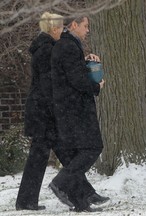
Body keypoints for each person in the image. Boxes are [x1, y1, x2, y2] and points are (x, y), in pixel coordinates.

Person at [49, 15, 108, 212]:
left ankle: (80, 202)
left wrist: (85, 63)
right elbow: (76, 81)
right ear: (74, 25)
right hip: (74, 109)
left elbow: (71, 72)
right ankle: (61, 182)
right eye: (85, 26)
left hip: (68, 108)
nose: (87, 30)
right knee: (92, 147)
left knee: (76, 154)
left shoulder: (67, 46)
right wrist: (96, 85)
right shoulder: (68, 46)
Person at [15, 12, 64, 211]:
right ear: (53, 29)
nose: (62, 31)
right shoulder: (47, 51)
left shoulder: (45, 48)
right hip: (44, 114)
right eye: (61, 27)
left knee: (43, 156)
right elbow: (48, 85)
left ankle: (80, 193)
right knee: (40, 157)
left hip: (42, 112)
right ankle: (26, 201)